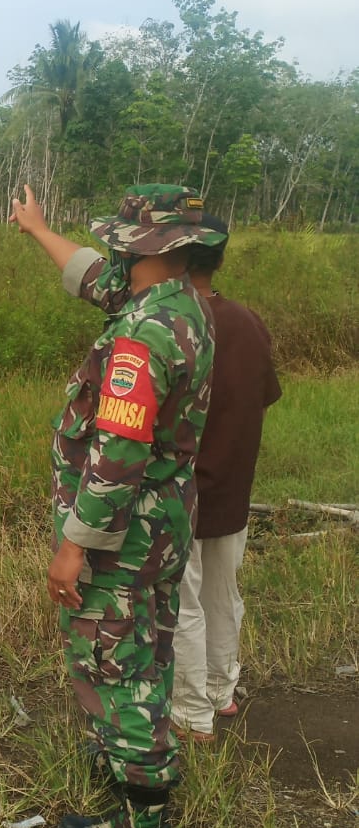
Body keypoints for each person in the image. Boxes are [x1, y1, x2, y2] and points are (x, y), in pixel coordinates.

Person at [9, 183, 224, 828]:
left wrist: (73, 546)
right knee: (147, 646)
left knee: (112, 659)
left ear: (147, 247)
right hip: (164, 522)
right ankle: (130, 760)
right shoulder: (183, 304)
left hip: (124, 530)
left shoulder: (143, 335)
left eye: (124, 241)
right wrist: (39, 230)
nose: (114, 251)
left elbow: (117, 456)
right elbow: (96, 280)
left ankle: (142, 825)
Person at [170, 218, 281, 741]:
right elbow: (263, 396)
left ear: (176, 260)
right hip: (233, 489)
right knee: (222, 596)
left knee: (182, 603)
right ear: (219, 261)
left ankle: (192, 713)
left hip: (181, 491)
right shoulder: (249, 323)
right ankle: (221, 691)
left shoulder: (172, 323)